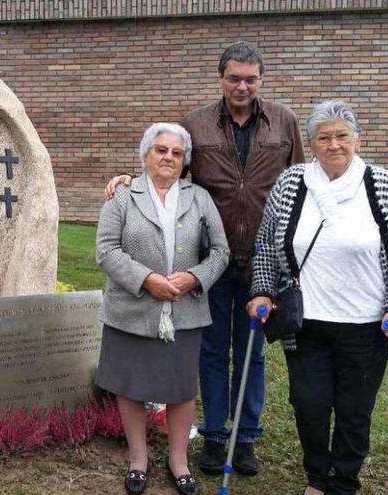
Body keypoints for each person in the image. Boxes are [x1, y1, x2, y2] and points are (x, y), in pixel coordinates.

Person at [105, 41, 304, 475]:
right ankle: (214, 436)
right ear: (221, 78)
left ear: (261, 80)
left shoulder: (284, 122)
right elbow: (167, 167)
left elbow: (299, 182)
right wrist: (128, 176)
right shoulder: (195, 124)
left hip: (262, 259)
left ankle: (245, 437)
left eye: (251, 79)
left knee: (251, 351)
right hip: (208, 262)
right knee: (212, 350)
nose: (242, 86)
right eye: (234, 78)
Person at [246, 100, 388, 495]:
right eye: (323, 137)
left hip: (366, 324)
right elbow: (265, 242)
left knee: (354, 411)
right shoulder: (292, 183)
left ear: (357, 138)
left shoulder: (383, 185)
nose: (333, 144)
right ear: (311, 143)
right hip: (306, 321)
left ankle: (342, 483)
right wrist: (261, 289)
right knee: (308, 405)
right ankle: (317, 478)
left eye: (342, 135)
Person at [96, 123, 229, 495]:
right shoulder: (122, 195)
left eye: (176, 152)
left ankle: (179, 461)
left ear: (185, 160)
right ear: (145, 155)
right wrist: (148, 280)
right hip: (132, 309)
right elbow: (106, 250)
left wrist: (193, 278)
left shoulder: (199, 197)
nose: (168, 157)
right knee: (130, 385)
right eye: (160, 150)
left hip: (184, 310)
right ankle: (138, 459)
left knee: (182, 388)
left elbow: (220, 252)